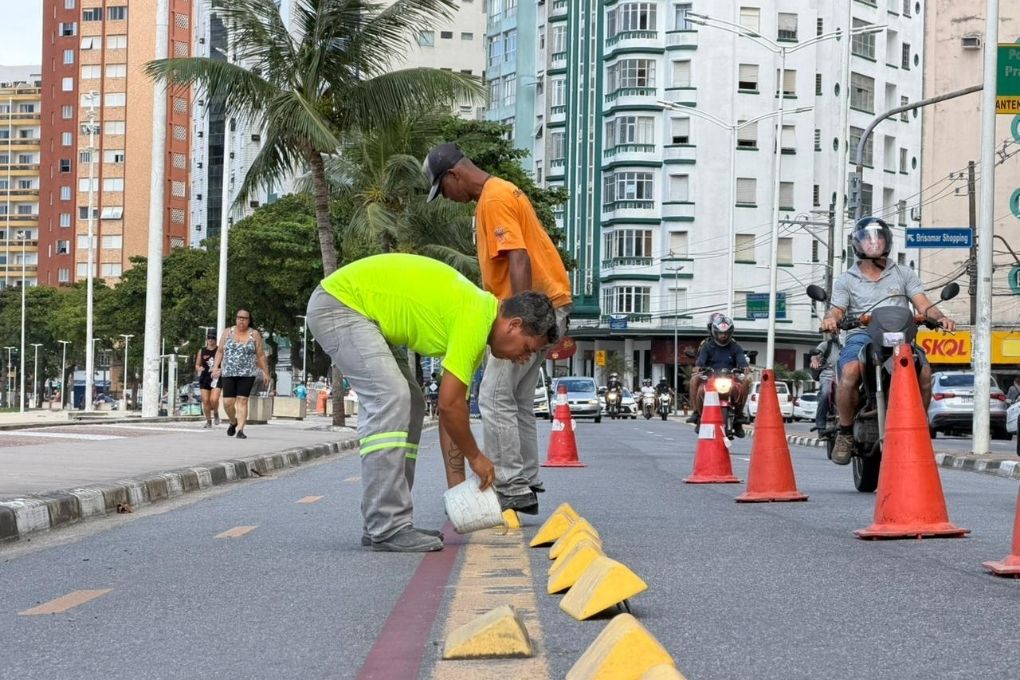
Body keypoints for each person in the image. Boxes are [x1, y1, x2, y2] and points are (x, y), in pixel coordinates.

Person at [305, 253, 557, 552]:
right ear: (513, 325)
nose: (524, 357)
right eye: (527, 348)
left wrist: (460, 494)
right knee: (391, 398)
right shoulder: (476, 317)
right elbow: (451, 406)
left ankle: (386, 523)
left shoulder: (478, 324)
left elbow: (451, 415)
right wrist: (477, 457)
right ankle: (387, 525)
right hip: (340, 305)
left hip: (358, 313)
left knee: (411, 402)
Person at [424, 142, 572, 516]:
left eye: (443, 189)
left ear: (455, 175)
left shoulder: (493, 199)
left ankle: (509, 484)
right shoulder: (501, 192)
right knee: (518, 398)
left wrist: (519, 317)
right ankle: (525, 479)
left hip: (529, 314)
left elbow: (518, 256)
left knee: (492, 397)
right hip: (546, 305)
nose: (447, 198)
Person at [822, 217, 956, 465]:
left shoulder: (903, 273)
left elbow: (924, 305)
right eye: (867, 239)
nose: (873, 243)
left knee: (925, 372)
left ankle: (919, 426)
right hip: (862, 335)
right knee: (850, 370)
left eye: (879, 238)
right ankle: (845, 431)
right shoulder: (846, 279)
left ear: (887, 241)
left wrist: (940, 317)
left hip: (900, 335)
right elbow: (836, 310)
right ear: (857, 243)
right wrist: (831, 319)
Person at [687, 313, 751, 437]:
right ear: (714, 332)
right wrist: (698, 367)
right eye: (721, 333)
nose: (723, 335)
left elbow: (741, 360)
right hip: (710, 378)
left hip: (730, 378)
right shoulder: (707, 345)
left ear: (730, 332)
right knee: (694, 379)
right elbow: (700, 360)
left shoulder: (735, 346)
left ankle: (739, 416)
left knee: (748, 380)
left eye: (726, 333)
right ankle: (697, 413)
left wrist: (745, 368)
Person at [212, 308, 269, 440]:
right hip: (229, 373)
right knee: (228, 402)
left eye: (244, 318)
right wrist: (216, 366)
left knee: (242, 400)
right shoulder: (228, 332)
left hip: (247, 373)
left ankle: (241, 430)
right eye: (239, 317)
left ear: (249, 320)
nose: (241, 320)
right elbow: (220, 351)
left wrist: (266, 372)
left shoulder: (254, 334)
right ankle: (233, 421)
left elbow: (260, 356)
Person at [810, 335, 841, 435]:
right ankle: (821, 425)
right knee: (825, 392)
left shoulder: (850, 343)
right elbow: (815, 355)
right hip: (828, 374)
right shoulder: (826, 345)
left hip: (845, 374)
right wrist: (814, 360)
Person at [195, 329, 221, 428]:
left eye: (213, 337)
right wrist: (199, 368)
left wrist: (220, 370)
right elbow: (197, 365)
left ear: (216, 339)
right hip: (204, 378)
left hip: (216, 379)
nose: (210, 340)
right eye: (209, 337)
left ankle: (216, 412)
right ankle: (208, 421)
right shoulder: (202, 351)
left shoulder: (219, 350)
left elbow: (224, 364)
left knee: (214, 399)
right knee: (205, 401)